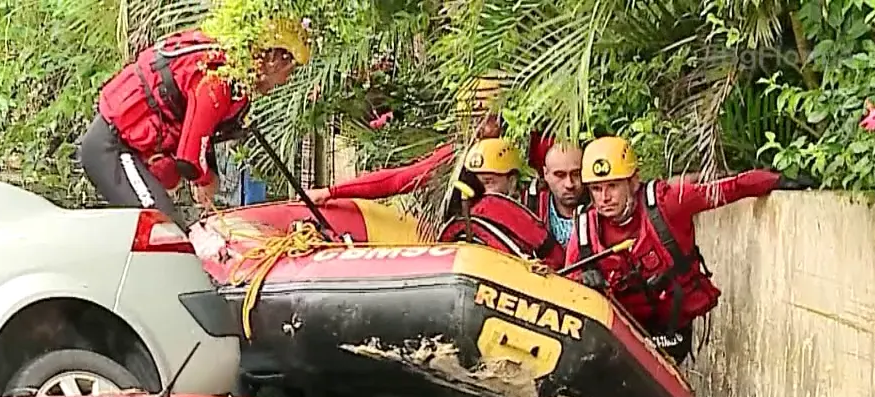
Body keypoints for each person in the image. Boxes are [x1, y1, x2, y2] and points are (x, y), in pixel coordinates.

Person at [563, 135, 813, 363]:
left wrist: (778, 181)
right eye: (596, 189)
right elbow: (566, 285)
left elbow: (730, 188)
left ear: (633, 181)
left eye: (613, 186)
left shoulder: (666, 203)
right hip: (618, 331)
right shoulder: (585, 230)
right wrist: (583, 283)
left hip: (669, 329)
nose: (605, 198)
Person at [78, 20, 312, 229]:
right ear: (272, 60)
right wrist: (206, 180)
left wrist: (206, 174)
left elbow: (202, 132)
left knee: (168, 227)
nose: (284, 82)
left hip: (128, 151)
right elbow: (189, 159)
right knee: (162, 229)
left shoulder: (233, 79)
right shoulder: (217, 82)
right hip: (112, 149)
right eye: (288, 73)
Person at [304, 112, 503, 204]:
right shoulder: (456, 155)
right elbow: (399, 180)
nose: (477, 129)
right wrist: (331, 192)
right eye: (473, 119)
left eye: (487, 120)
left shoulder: (525, 147)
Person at [437, 139, 564, 265]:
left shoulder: (539, 202)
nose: (481, 191)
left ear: (512, 181)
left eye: (489, 182)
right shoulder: (464, 215)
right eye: (476, 182)